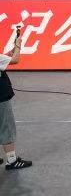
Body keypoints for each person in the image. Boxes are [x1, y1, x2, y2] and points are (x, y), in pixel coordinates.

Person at [0, 30, 31, 170]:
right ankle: (11, 160)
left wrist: (11, 51)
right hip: (1, 96)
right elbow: (15, 60)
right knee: (6, 127)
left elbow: (3, 59)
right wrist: (18, 45)